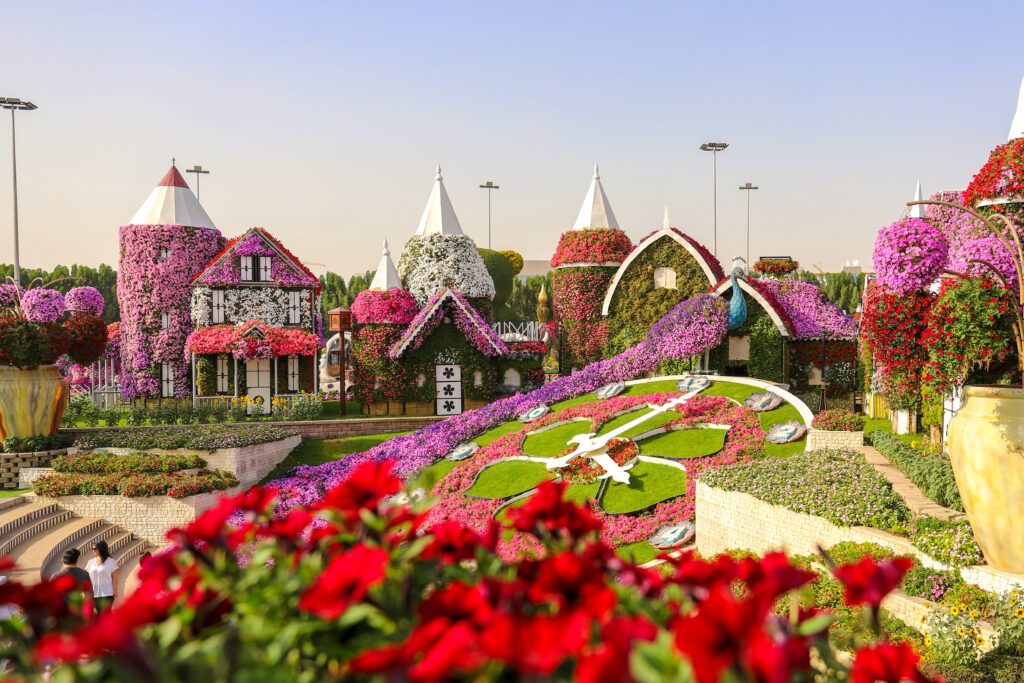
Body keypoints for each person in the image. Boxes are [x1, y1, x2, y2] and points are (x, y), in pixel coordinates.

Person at [85, 541, 118, 612]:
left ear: (101, 549)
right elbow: (87, 577)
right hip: (95, 593)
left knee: (106, 613)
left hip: (107, 592)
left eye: (95, 548)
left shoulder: (110, 561)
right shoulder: (90, 562)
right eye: (92, 549)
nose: (93, 550)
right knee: (99, 614)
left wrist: (115, 589)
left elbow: (115, 576)